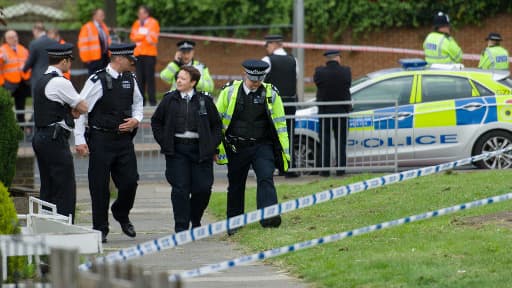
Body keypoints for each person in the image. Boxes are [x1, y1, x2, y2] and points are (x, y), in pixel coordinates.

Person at [74, 43, 143, 243]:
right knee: (99, 186)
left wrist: (136, 119)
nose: (133, 63)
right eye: (130, 59)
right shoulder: (97, 80)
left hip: (123, 141)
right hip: (100, 140)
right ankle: (100, 228)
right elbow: (80, 109)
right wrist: (79, 140)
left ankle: (121, 213)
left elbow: (138, 103)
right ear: (118, 59)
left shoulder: (130, 78)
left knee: (130, 181)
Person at [216, 60, 290, 235]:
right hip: (237, 146)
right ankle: (234, 222)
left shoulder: (272, 93)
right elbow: (217, 121)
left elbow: (281, 124)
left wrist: (284, 152)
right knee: (236, 184)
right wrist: (217, 147)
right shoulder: (229, 92)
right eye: (252, 78)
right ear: (245, 75)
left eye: (259, 78)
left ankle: (269, 218)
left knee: (266, 178)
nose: (255, 82)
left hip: (262, 146)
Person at [151, 66, 222, 232]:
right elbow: (156, 122)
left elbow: (217, 125)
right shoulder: (169, 100)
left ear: (193, 82)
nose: (178, 81)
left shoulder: (205, 100)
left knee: (203, 188)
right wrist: (164, 141)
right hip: (177, 150)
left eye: (183, 78)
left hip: (200, 151)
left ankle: (195, 218)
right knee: (180, 188)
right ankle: (181, 227)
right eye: (178, 78)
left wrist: (211, 146)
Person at [32, 42, 88, 221]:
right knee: (64, 184)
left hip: (42, 136)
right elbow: (84, 106)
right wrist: (75, 110)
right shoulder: (60, 82)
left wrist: (71, 111)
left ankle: (46, 221)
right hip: (54, 139)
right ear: (63, 61)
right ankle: (65, 223)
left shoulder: (41, 79)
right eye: (69, 60)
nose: (70, 64)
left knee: (48, 183)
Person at [261, 35, 299, 178]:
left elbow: (258, 80)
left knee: (270, 136)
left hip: (273, 104)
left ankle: (271, 167)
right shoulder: (294, 60)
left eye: (267, 46)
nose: (266, 49)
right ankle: (289, 168)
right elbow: (294, 79)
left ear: (272, 45)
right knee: (288, 135)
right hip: (290, 103)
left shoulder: (267, 61)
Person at [314, 50, 352, 177]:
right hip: (341, 111)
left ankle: (325, 170)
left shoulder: (319, 72)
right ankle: (341, 169)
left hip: (325, 111)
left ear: (327, 59)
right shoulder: (346, 71)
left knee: (325, 141)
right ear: (337, 58)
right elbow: (348, 84)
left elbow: (317, 83)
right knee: (341, 141)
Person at [130, 5, 159, 106]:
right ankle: (141, 101)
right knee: (140, 79)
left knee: (150, 78)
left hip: (149, 54)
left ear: (147, 14)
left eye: (141, 13)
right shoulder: (136, 23)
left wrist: (140, 36)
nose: (139, 15)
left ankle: (152, 101)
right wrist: (144, 35)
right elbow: (133, 37)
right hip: (138, 54)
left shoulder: (153, 23)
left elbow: (152, 39)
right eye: (139, 13)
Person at [0, 30, 31, 124]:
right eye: (11, 37)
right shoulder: (2, 50)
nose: (14, 39)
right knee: (6, 107)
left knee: (21, 107)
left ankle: (22, 129)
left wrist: (28, 76)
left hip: (22, 82)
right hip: (7, 83)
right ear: (6, 39)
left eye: (15, 36)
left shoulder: (23, 49)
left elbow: (29, 65)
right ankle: (7, 127)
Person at [23, 22, 58, 97]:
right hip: (52, 75)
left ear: (36, 30)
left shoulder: (34, 43)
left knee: (37, 100)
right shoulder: (54, 42)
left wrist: (24, 69)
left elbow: (30, 61)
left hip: (38, 76)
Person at [77, 8, 111, 75]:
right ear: (94, 16)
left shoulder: (104, 27)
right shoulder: (87, 27)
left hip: (105, 57)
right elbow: (82, 45)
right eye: (101, 15)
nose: (103, 17)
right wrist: (86, 59)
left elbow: (107, 41)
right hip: (93, 59)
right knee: (94, 78)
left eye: (103, 15)